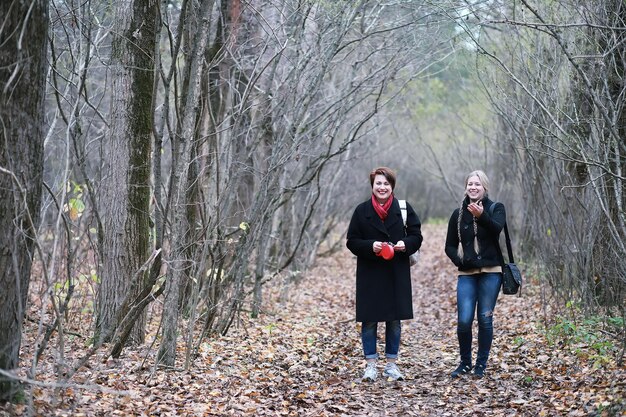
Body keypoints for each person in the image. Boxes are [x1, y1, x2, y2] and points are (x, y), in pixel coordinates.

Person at [346, 167, 423, 382]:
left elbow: (417, 236)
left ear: (392, 186)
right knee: (369, 320)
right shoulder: (361, 211)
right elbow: (352, 241)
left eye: (386, 184)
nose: (382, 187)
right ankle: (370, 365)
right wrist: (372, 246)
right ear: (372, 185)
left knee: (394, 320)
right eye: (378, 183)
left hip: (396, 272)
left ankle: (391, 365)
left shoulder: (404, 209)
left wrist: (404, 244)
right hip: (370, 272)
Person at [444, 170, 506, 378]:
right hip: (467, 273)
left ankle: (481, 364)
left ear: (484, 187)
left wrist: (482, 216)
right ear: (466, 187)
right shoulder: (458, 214)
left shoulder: (496, 208)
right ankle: (465, 363)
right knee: (464, 320)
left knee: (484, 318)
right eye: (470, 184)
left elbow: (497, 229)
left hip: (492, 272)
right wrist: (460, 260)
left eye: (477, 184)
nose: (473, 187)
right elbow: (450, 246)